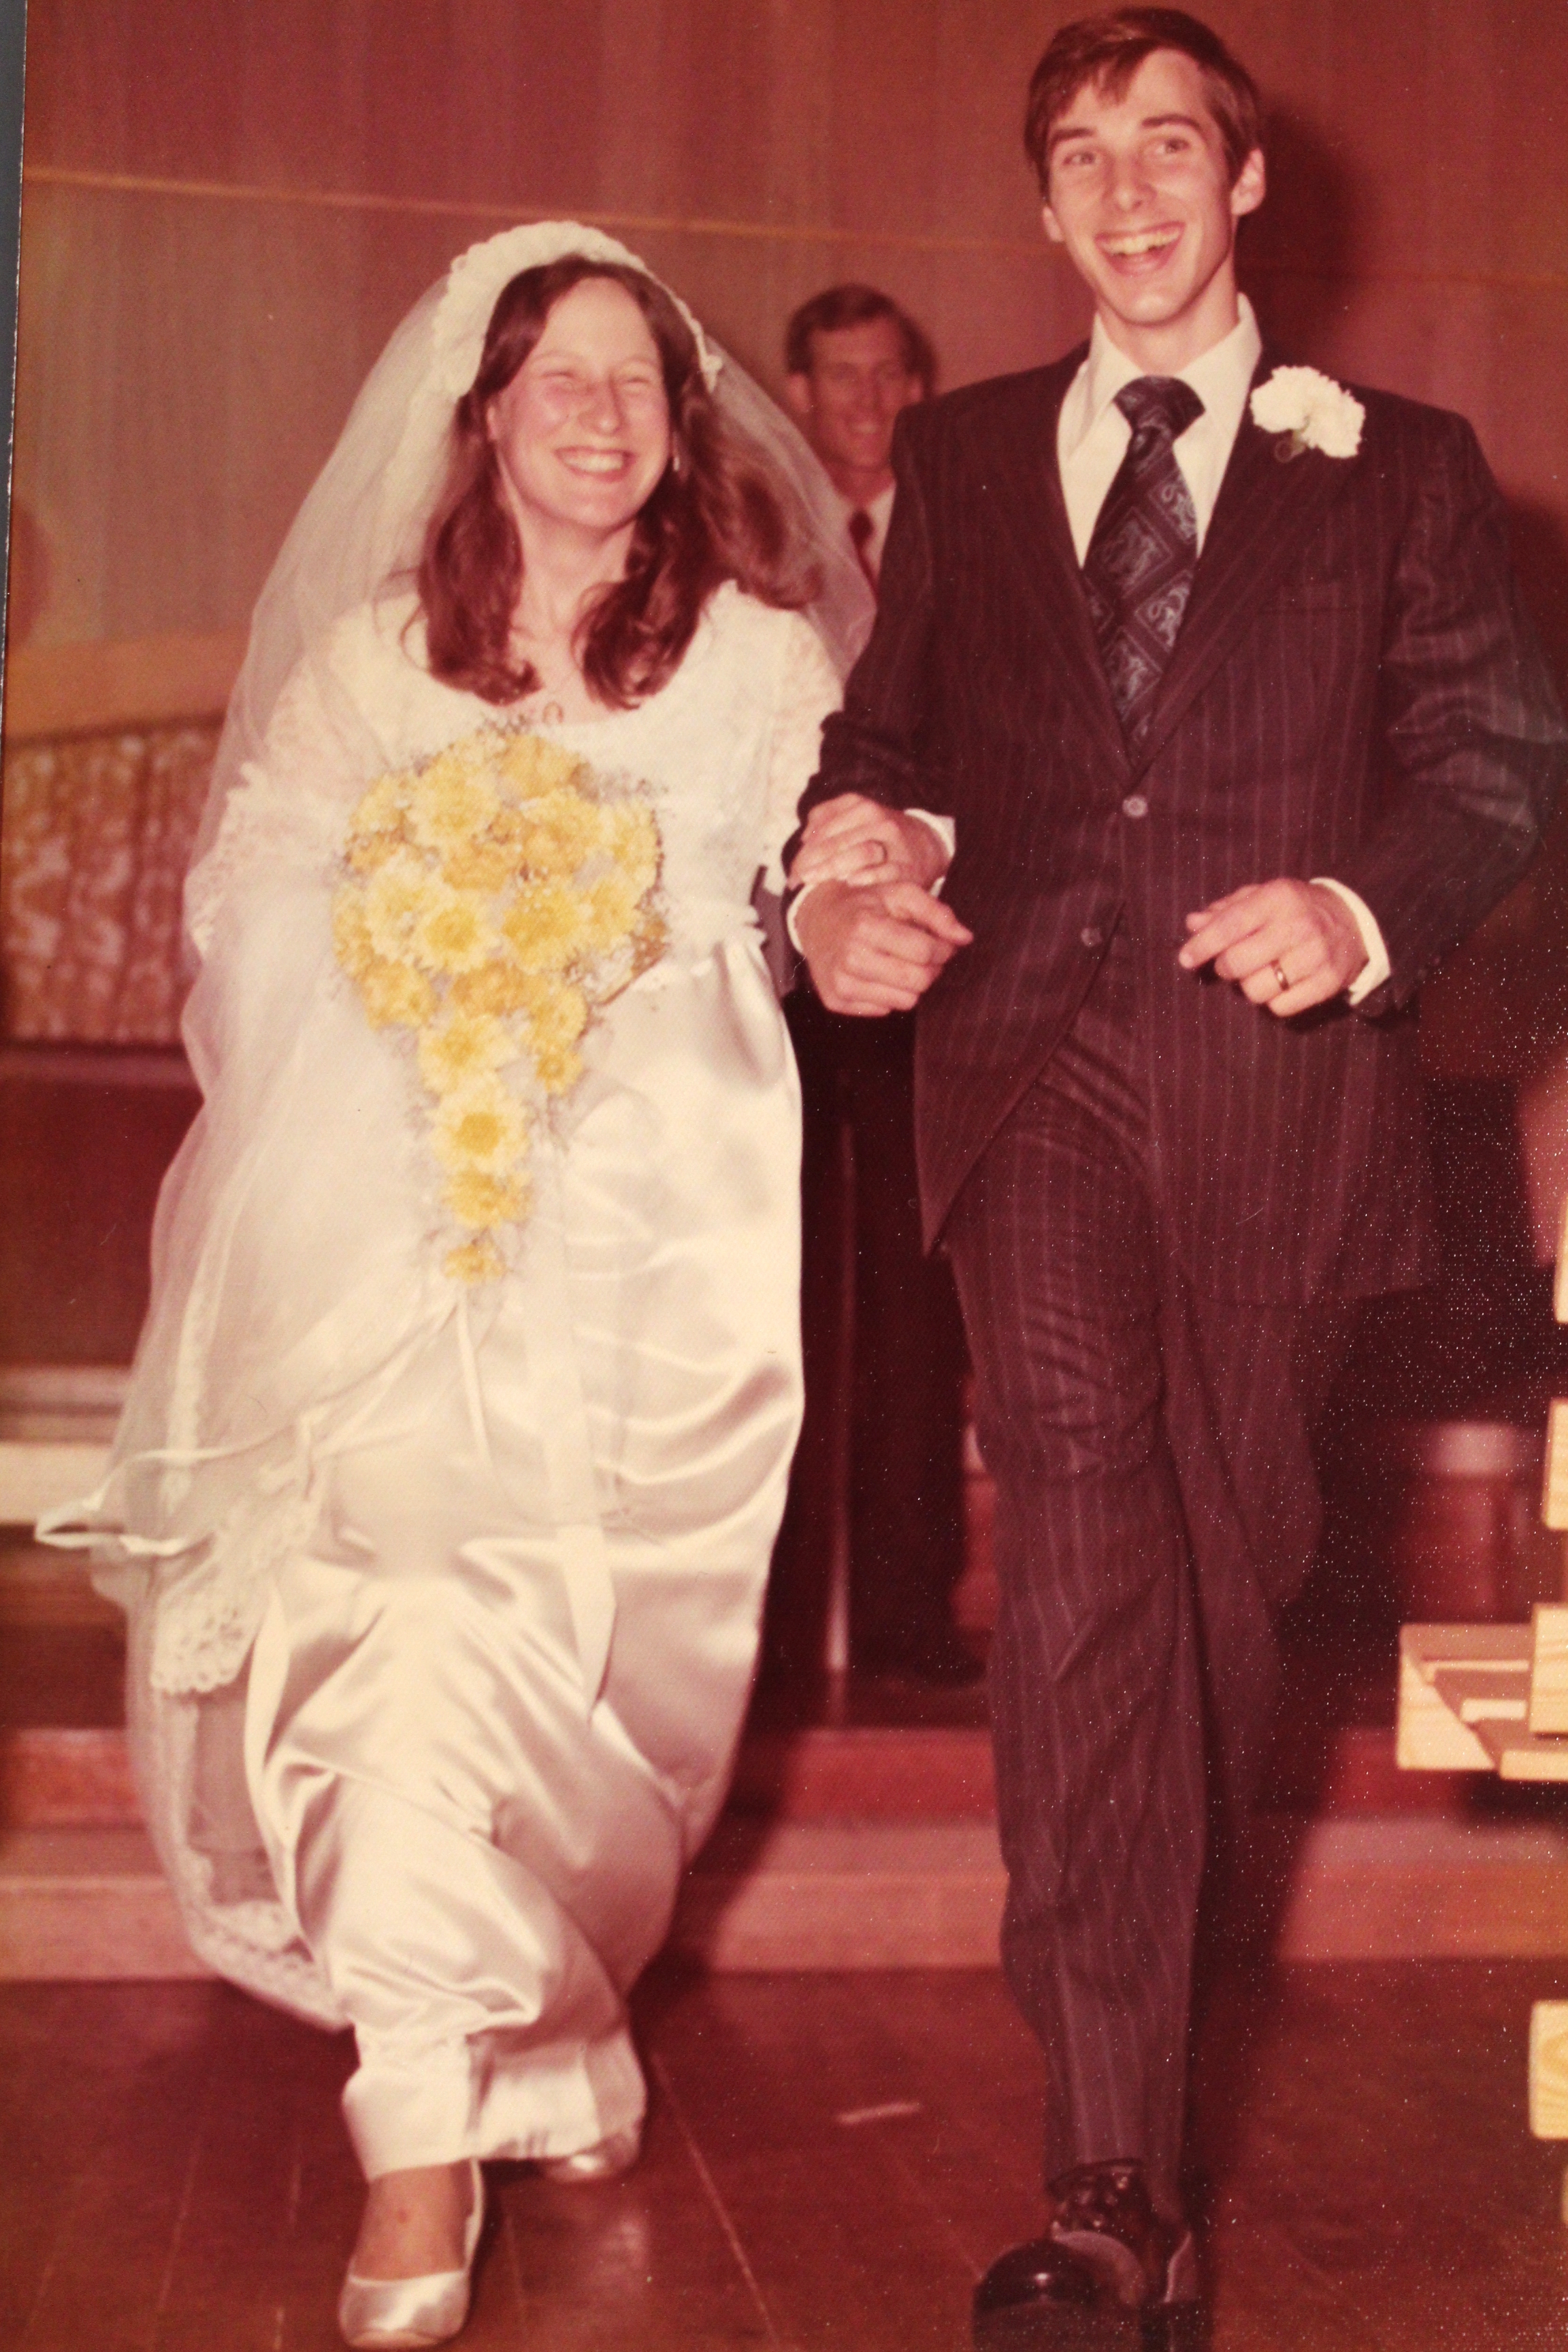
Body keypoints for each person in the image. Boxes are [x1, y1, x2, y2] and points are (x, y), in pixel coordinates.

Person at [789, 10, 1567, 2340]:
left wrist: (1357, 908)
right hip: (1027, 1071)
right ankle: (1110, 2175)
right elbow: (889, 743)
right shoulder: (964, 452)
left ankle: (1127, 1977)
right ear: (1043, 206)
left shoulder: (1402, 466)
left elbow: (1491, 767)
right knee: (1089, 1545)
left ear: (1244, 183)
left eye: (1165, 145)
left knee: (1217, 1594)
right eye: (1079, 155)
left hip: (1279, 1099)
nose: (1125, 190)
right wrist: (841, 870)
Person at [41, 222, 865, 2351]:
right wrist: (418, 957)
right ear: (483, 416)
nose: (601, 416)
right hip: (406, 1236)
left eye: (636, 382)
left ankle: (557, 2031)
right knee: (393, 1626)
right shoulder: (374, 663)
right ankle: (416, 2122)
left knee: (605, 1705)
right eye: (557, 380)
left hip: (669, 1249)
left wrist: (842, 888)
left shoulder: (761, 659)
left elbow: (828, 868)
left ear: (680, 422)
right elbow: (250, 884)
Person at [768, 283, 977, 1688]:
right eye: (842, 377)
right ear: (798, 393)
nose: (868, 402)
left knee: (914, 1285)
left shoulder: (966, 531)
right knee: (771, 1275)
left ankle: (907, 1612)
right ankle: (774, 1619)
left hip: (932, 954)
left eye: (891, 375)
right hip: (776, 957)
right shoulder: (751, 538)